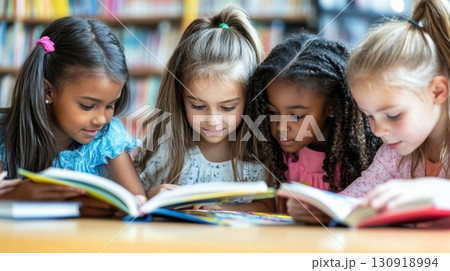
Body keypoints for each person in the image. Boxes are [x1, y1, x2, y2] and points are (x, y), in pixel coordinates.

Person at [289, 0, 450, 224]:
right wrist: (323, 210)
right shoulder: (393, 154)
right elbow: (351, 201)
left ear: (438, 91)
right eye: (369, 116)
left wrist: (440, 192)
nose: (377, 130)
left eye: (393, 115)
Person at [135, 6, 274, 212]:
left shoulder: (258, 153)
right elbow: (135, 197)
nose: (212, 120)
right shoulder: (163, 148)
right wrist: (152, 194)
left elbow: (269, 206)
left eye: (228, 107)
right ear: (180, 97)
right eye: (198, 106)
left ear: (250, 99)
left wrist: (222, 209)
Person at [0, 17, 146, 212]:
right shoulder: (4, 135)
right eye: (87, 106)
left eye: (110, 105)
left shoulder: (107, 138)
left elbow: (138, 202)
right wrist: (14, 195)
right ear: (48, 91)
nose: (102, 119)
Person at [247, 33, 381, 212]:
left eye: (296, 116)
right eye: (273, 112)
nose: (281, 127)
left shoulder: (360, 157)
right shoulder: (276, 154)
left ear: (332, 106)